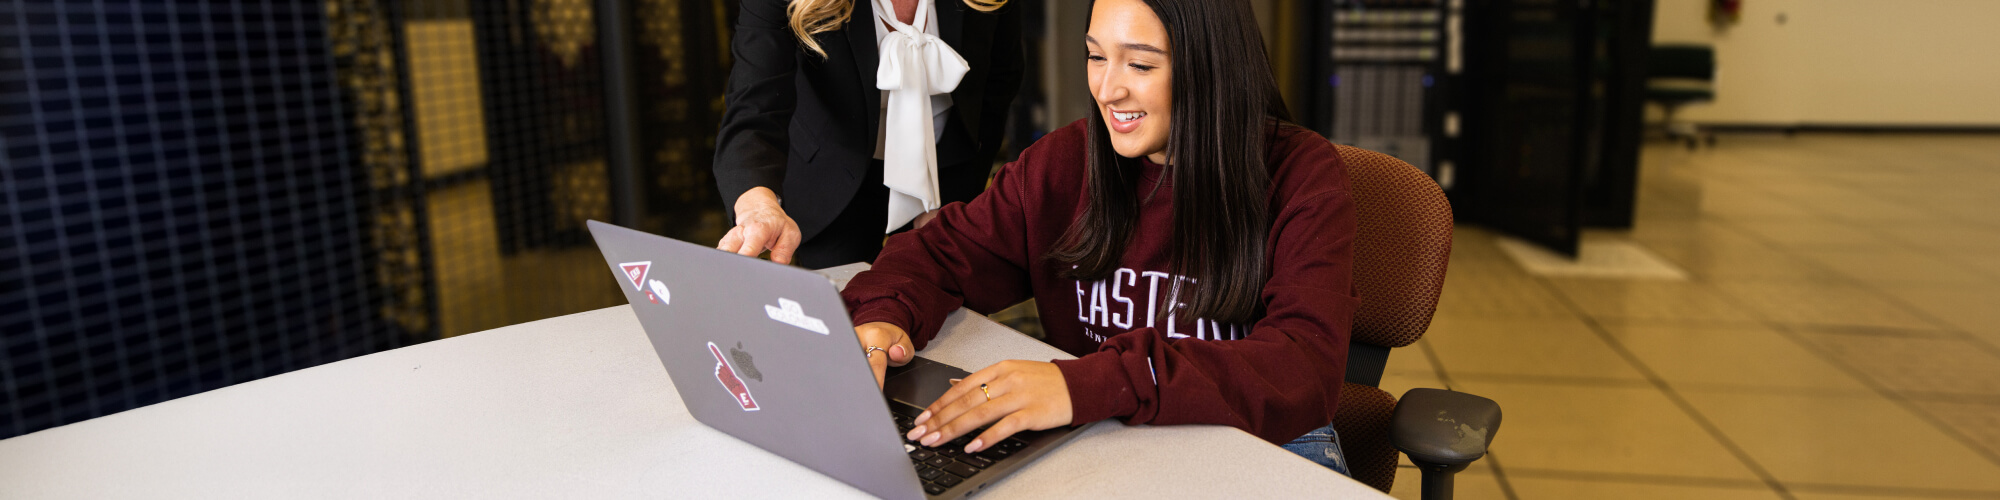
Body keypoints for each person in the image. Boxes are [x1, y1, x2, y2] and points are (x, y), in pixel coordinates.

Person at [839, 0, 1357, 475]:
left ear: (1212, 67)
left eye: (1140, 64)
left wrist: (1087, 383)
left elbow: (1303, 366)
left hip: (1262, 442)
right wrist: (885, 313)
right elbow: (938, 255)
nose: (1108, 90)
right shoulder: (1063, 163)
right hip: (1109, 434)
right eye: (1095, 56)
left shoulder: (1301, 174)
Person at [712, 0, 1024, 270]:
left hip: (945, 171)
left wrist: (962, 188)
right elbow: (755, 105)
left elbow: (998, 83)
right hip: (832, 176)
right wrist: (758, 203)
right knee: (845, 319)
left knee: (951, 317)